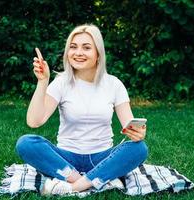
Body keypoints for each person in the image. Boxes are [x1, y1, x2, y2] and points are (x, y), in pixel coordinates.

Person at [16, 24, 148, 195]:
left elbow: (129, 126)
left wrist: (137, 133)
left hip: (102, 157)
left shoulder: (114, 84)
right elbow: (34, 121)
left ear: (98, 54)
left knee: (139, 148)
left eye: (86, 48)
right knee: (26, 143)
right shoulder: (61, 83)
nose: (78, 53)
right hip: (66, 159)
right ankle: (95, 180)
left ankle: (73, 187)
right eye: (73, 47)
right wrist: (43, 81)